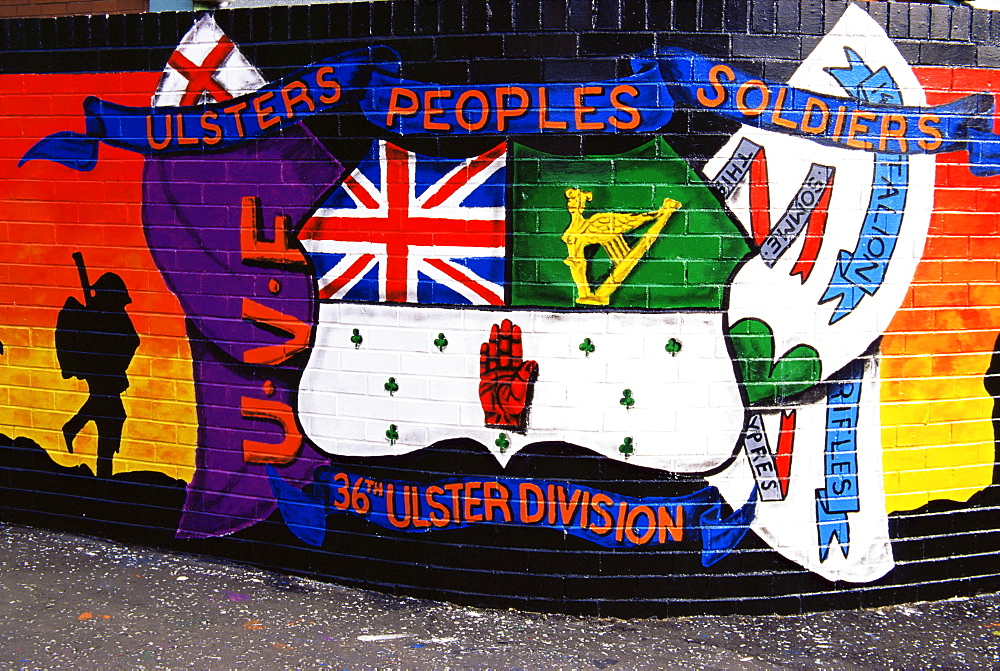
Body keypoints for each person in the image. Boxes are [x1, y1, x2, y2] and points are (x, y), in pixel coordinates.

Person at [56, 255, 139, 478]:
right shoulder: (101, 315)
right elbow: (130, 340)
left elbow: (132, 340)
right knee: (112, 418)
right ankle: (103, 477)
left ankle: (73, 427)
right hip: (102, 374)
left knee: (107, 413)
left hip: (105, 374)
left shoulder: (108, 315)